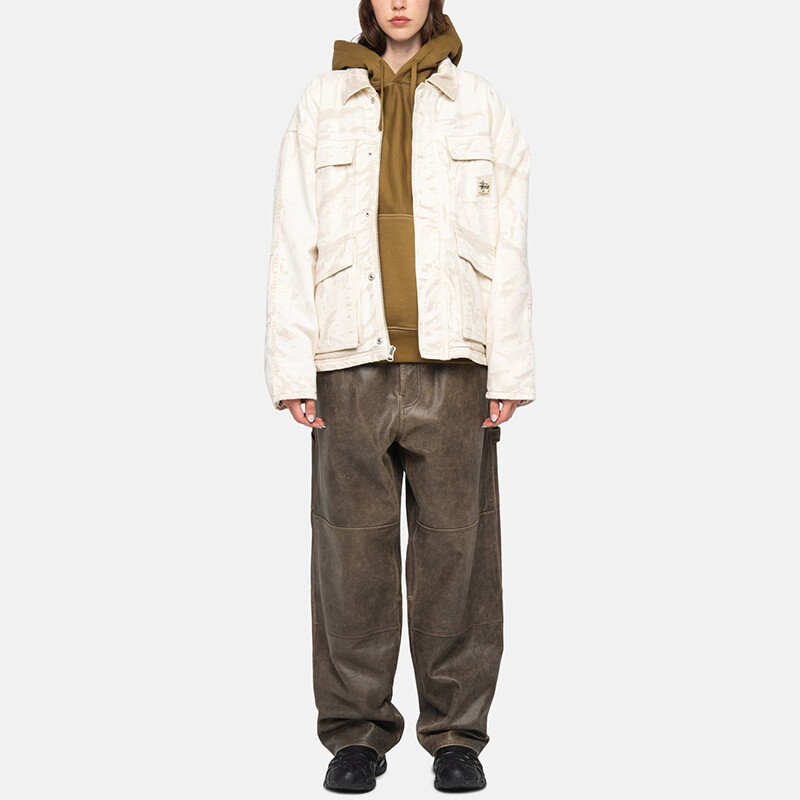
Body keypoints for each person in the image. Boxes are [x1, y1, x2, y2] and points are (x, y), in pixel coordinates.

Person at [264, 0, 535, 792]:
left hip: (457, 366)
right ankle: (356, 735)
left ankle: (456, 736)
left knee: (459, 556)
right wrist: (292, 369)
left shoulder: (479, 102)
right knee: (351, 559)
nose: (400, 2)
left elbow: (511, 240)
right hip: (347, 363)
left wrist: (510, 368)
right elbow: (293, 235)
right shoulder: (323, 101)